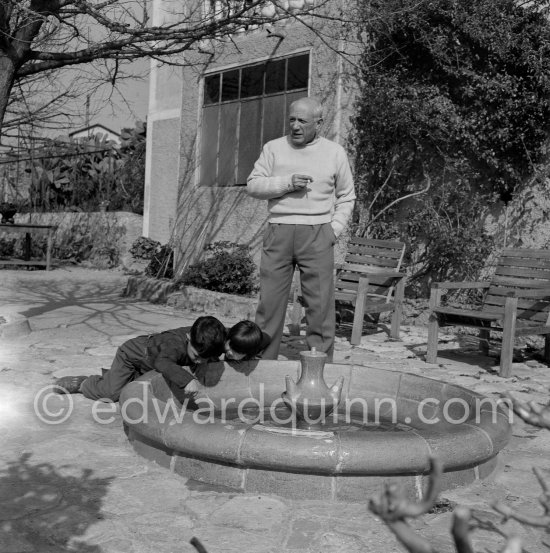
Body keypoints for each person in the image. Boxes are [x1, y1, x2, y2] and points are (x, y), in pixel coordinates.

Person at [247, 96, 355, 361]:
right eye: (292, 119)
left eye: (302, 121)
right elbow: (253, 185)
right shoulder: (273, 148)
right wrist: (286, 183)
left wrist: (334, 230)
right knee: (269, 304)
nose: (295, 126)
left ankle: (319, 367)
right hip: (278, 232)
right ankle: (264, 364)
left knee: (319, 307)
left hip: (318, 234)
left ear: (318, 123)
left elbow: (347, 196)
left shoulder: (334, 152)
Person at [53, 315, 227, 402]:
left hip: (149, 365)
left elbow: (236, 336)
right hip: (132, 357)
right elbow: (162, 362)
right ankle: (85, 383)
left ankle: (113, 377)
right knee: (112, 394)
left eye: (206, 358)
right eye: (197, 356)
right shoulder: (174, 344)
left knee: (132, 386)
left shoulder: (211, 337)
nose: (200, 362)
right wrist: (187, 380)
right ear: (188, 338)